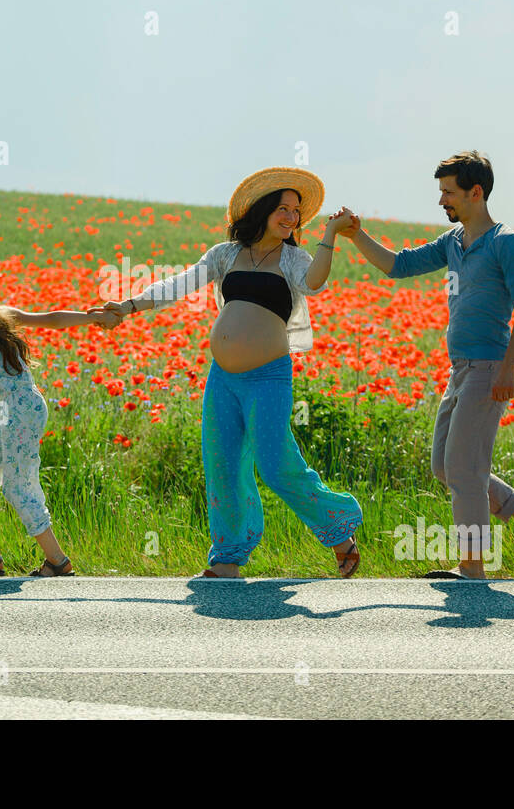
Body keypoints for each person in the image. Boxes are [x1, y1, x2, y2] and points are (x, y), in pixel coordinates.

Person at [103, 167, 363, 579]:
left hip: (268, 376)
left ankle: (337, 530)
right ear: (262, 210)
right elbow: (179, 283)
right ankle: (229, 556)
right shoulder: (226, 254)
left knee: (276, 464)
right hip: (223, 378)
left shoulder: (295, 259)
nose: (291, 217)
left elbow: (314, 285)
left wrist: (329, 235)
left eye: (296, 211)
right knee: (222, 463)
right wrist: (129, 305)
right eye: (283, 208)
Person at [335, 150, 514, 579]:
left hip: (489, 368)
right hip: (460, 370)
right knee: (445, 466)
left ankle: (472, 567)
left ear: (476, 193)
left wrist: (510, 368)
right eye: (441, 192)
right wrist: (355, 236)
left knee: (463, 470)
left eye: (449, 192)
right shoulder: (453, 243)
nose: (442, 201)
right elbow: (398, 265)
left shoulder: (504, 242)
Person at [0, 256, 119, 577]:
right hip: (22, 406)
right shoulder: (3, 315)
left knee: (17, 486)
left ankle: (58, 561)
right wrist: (90, 318)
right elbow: (53, 319)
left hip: (16, 412)